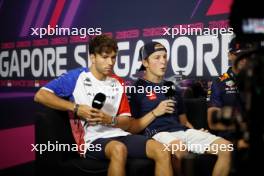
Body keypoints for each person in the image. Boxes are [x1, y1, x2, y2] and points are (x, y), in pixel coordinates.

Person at [34, 35, 173, 176]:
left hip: (120, 134)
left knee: (162, 150)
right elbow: (40, 95)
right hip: (91, 140)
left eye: (113, 57)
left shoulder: (118, 82)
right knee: (119, 149)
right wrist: (76, 108)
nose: (110, 62)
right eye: (105, 57)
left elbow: (127, 123)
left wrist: (110, 120)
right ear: (93, 57)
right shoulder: (76, 77)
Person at [127, 41, 232, 176]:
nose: (163, 61)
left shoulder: (173, 88)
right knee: (180, 147)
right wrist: (155, 112)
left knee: (226, 148)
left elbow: (183, 121)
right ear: (145, 63)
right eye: (157, 57)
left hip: (181, 132)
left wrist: (195, 131)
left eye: (165, 57)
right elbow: (132, 128)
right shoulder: (135, 89)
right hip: (156, 135)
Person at [207, 37, 254, 148]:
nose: (244, 60)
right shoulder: (219, 81)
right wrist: (244, 126)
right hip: (230, 137)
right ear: (229, 55)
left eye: (247, 56)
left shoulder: (257, 80)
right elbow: (212, 123)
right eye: (239, 55)